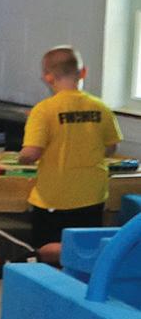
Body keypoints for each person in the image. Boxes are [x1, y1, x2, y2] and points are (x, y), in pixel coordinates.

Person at [15, 46, 123, 267]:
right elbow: (111, 147)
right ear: (83, 72)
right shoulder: (101, 107)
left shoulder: (44, 110)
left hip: (54, 195)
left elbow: (32, 152)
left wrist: (20, 159)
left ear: (47, 77)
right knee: (84, 251)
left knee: (46, 252)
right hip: (92, 194)